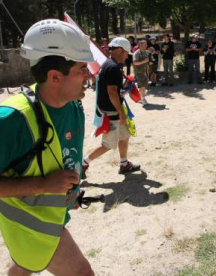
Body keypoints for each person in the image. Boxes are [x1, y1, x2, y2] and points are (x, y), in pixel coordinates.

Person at [0, 19, 94, 276]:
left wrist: (72, 185)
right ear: (54, 76)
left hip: (50, 215)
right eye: (81, 70)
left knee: (22, 266)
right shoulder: (10, 121)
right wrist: (44, 186)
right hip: (31, 223)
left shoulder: (73, 105)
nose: (88, 76)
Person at [82, 37, 141, 178]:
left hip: (112, 109)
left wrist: (125, 87)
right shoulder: (113, 67)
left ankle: (124, 163)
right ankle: (83, 163)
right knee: (108, 144)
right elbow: (111, 92)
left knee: (124, 136)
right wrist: (121, 113)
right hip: (113, 111)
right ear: (120, 50)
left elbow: (114, 89)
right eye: (126, 52)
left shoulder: (109, 64)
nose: (127, 56)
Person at [133, 39, 153, 106]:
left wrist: (150, 62)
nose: (146, 45)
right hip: (139, 72)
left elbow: (149, 60)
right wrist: (144, 61)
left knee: (143, 86)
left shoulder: (147, 52)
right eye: (145, 44)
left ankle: (139, 97)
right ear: (140, 45)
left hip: (145, 72)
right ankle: (143, 99)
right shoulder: (136, 53)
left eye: (146, 44)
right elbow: (135, 63)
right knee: (142, 87)